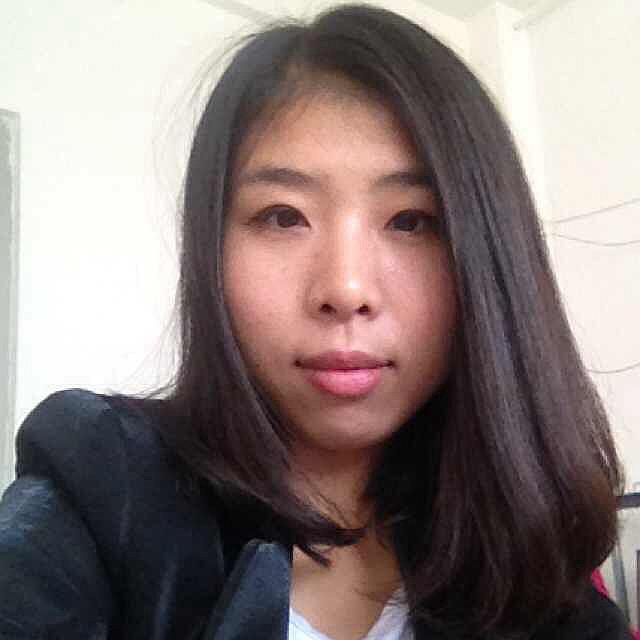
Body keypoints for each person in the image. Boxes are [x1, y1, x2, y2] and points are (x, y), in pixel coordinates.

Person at [0, 4, 632, 639]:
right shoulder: (101, 488)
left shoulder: (534, 567)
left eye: (411, 221)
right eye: (283, 216)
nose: (346, 289)